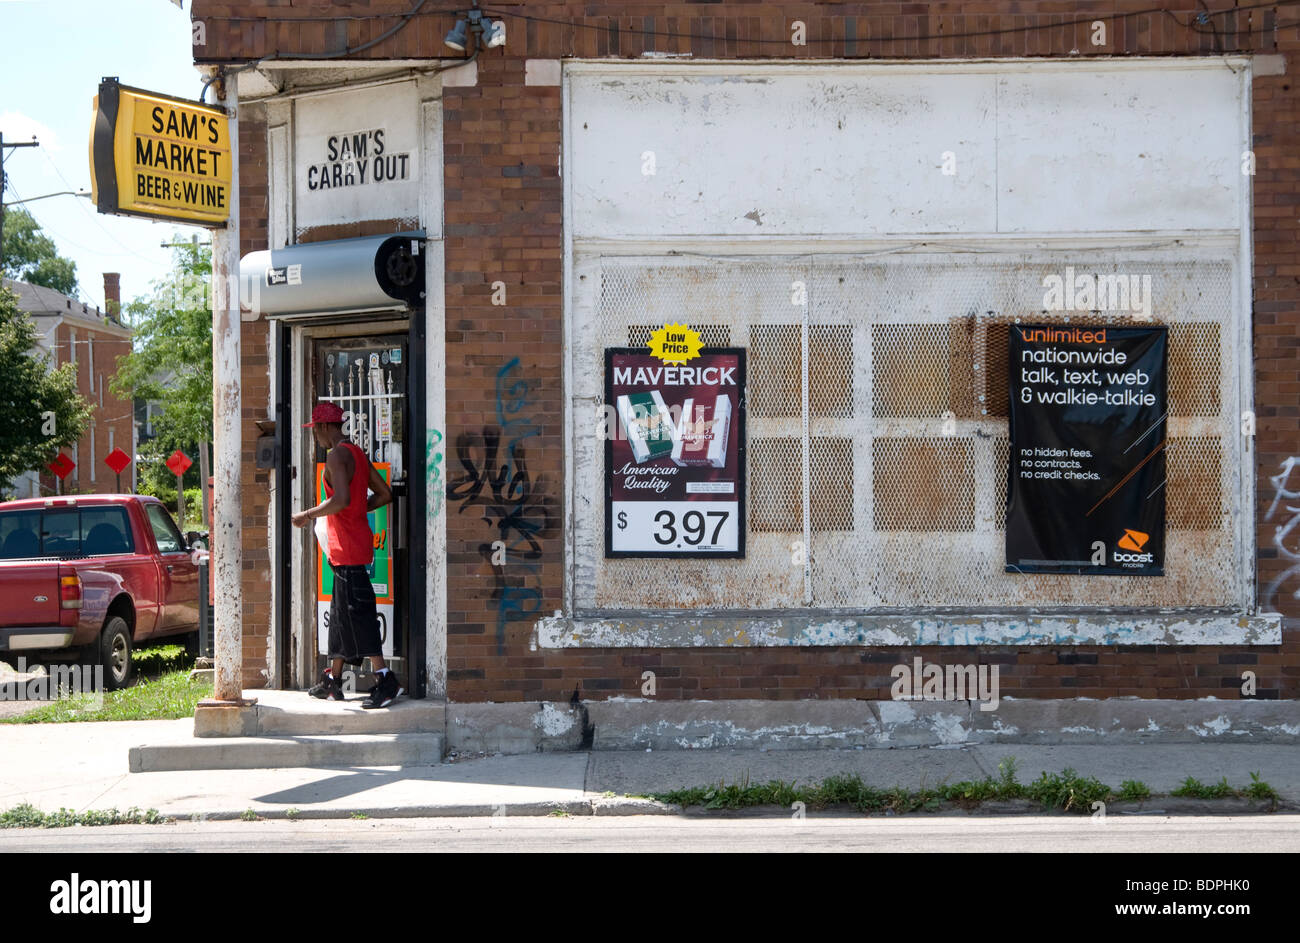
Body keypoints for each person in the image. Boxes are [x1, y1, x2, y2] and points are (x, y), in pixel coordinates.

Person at [291, 402, 400, 709]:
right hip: (353, 545)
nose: (316, 437)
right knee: (340, 615)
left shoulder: (336, 455)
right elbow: (384, 494)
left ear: (325, 428)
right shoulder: (357, 453)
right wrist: (355, 511)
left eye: (316, 431)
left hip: (347, 548)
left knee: (359, 616)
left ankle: (385, 679)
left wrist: (308, 515)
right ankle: (332, 680)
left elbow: (340, 499)